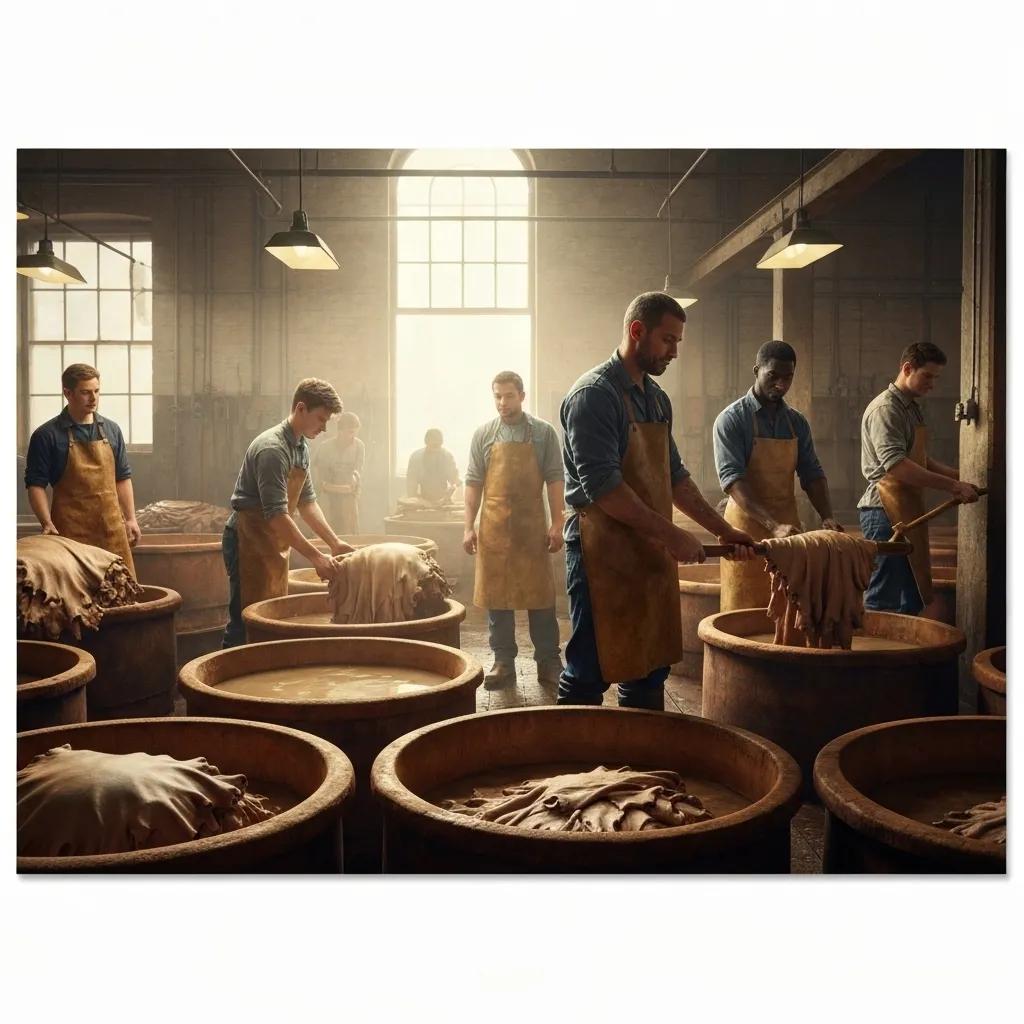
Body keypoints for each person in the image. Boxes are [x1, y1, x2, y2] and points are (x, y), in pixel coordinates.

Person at [558, 292, 756, 710]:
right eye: (669, 341)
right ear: (637, 332)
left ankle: (644, 764)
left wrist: (723, 529)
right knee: (588, 669)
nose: (675, 352)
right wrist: (674, 537)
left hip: (647, 545)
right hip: (601, 548)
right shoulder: (594, 395)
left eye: (678, 342)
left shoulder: (655, 398)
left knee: (649, 664)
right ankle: (572, 770)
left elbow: (676, 479)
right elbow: (606, 490)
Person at [220, 378, 354, 647]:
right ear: (301, 408)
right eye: (321, 419)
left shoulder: (301, 446)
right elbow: (277, 515)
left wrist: (334, 542)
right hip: (248, 540)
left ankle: (261, 680)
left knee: (271, 617)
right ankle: (226, 682)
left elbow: (307, 503)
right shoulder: (272, 449)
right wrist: (317, 557)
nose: (324, 428)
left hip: (273, 542)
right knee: (244, 620)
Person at [712, 340, 842, 611]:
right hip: (745, 534)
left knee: (786, 612)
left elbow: (812, 474)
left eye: (788, 377)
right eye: (773, 376)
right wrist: (772, 525)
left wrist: (827, 516)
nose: (781, 384)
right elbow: (733, 480)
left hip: (787, 531)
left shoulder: (796, 422)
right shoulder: (732, 420)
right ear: (757, 370)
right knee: (744, 615)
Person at [463, 371, 565, 691]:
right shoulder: (483, 434)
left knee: (540, 599)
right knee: (498, 599)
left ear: (522, 395)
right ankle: (503, 662)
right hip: (492, 529)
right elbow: (473, 483)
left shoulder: (543, 433)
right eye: (497, 396)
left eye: (508, 396)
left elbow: (555, 479)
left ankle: (548, 662)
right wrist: (468, 526)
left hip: (531, 527)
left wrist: (558, 522)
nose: (502, 403)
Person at [858, 342, 979, 614]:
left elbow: (920, 460)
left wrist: (959, 478)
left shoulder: (910, 408)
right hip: (884, 512)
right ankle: (876, 656)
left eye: (936, 377)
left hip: (907, 510)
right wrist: (953, 486)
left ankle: (904, 656)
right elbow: (897, 466)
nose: (932, 384)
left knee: (912, 597)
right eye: (928, 376)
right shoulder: (886, 409)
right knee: (883, 598)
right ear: (907, 368)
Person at [24, 363, 141, 577]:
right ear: (67, 393)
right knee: (77, 597)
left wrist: (131, 518)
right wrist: (46, 523)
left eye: (96, 391)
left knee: (121, 594)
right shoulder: (47, 435)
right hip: (70, 534)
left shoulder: (112, 430)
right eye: (85, 392)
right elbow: (35, 485)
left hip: (111, 530)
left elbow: (122, 477)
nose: (93, 398)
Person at [313, 411, 364, 534]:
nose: (353, 436)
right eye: (350, 432)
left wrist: (354, 479)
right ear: (340, 430)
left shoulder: (359, 446)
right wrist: (330, 487)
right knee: (327, 531)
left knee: (350, 531)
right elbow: (319, 476)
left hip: (348, 495)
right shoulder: (325, 448)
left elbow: (358, 470)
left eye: (355, 432)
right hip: (327, 495)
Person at [406, 428, 460, 505]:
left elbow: (454, 479)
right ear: (426, 442)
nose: (435, 450)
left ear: (441, 443)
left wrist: (453, 487)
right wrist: (418, 502)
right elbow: (411, 487)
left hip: (444, 501)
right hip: (422, 501)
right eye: (433, 445)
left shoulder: (447, 456)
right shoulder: (416, 458)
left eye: (438, 445)